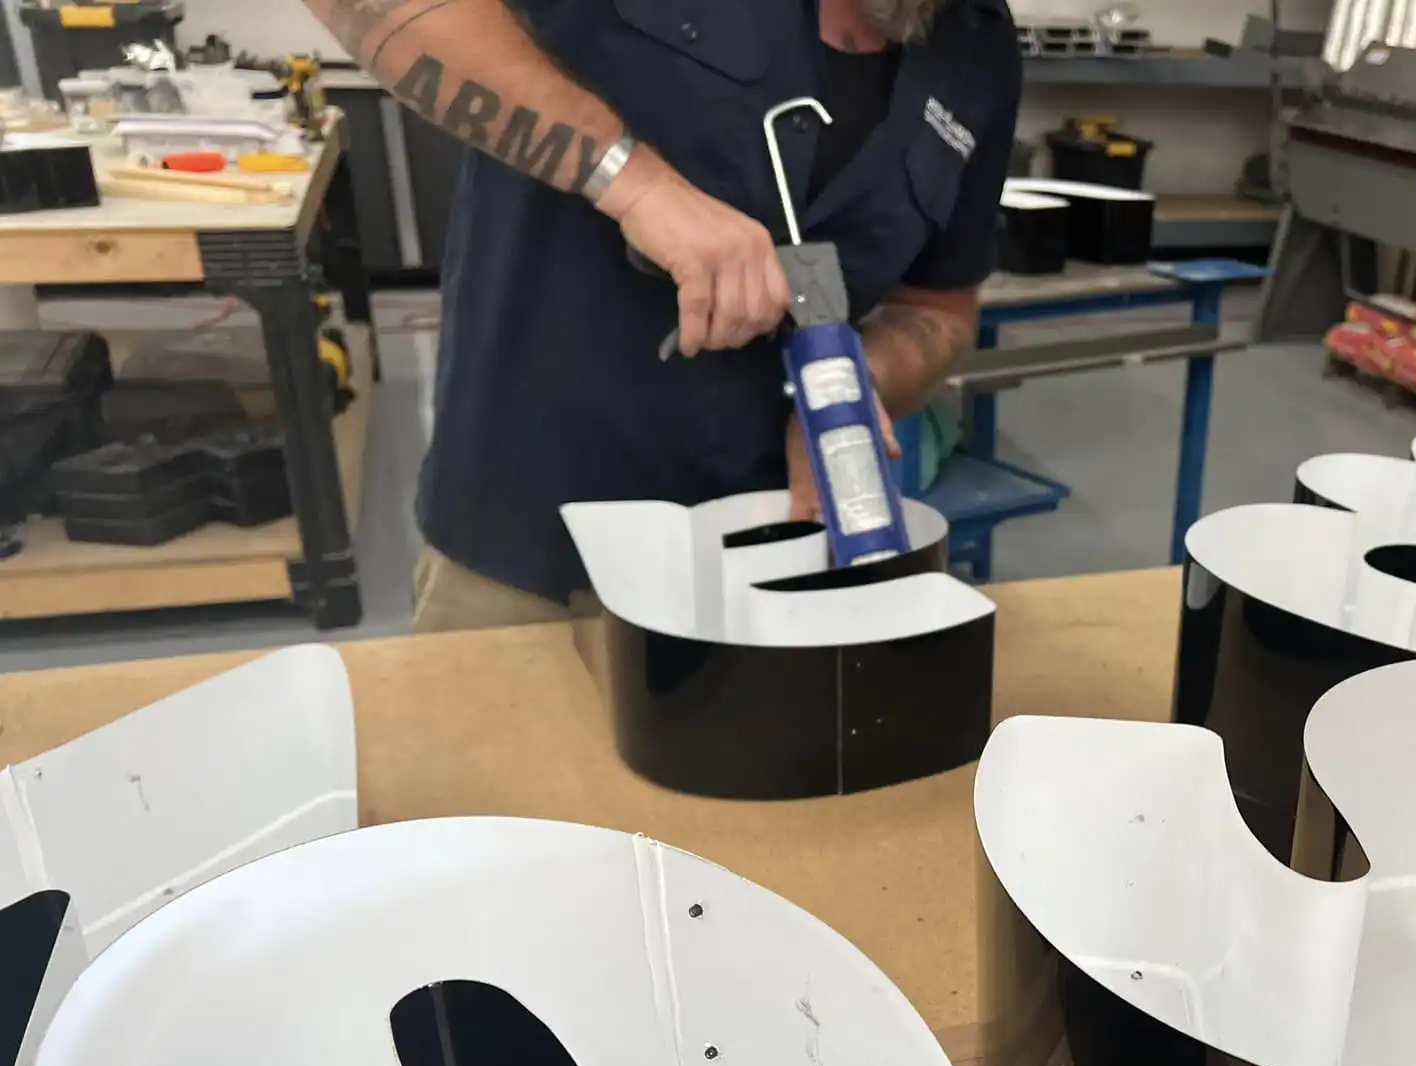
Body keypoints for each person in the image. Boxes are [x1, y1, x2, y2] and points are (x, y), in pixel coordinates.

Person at [303, 0, 1022, 630]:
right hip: (534, 550)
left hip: (782, 568)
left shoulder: (978, 49)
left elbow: (938, 307)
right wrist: (633, 184)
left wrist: (860, 382)